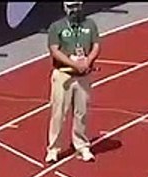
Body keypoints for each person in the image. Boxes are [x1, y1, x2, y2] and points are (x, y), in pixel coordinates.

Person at [45, 1, 101, 164]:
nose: (73, 10)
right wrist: (74, 64)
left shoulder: (90, 24)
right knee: (58, 113)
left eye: (76, 6)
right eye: (70, 6)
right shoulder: (57, 27)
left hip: (83, 76)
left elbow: (96, 45)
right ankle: (53, 149)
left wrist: (88, 61)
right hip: (63, 75)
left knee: (81, 113)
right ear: (64, 7)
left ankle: (82, 145)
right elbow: (54, 50)